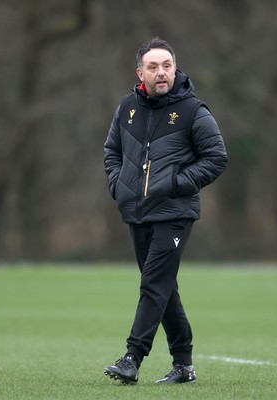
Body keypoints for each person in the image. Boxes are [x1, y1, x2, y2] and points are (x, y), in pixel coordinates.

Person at [103, 37, 228, 385]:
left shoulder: (193, 111)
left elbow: (217, 158)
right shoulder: (127, 106)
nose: (162, 72)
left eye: (167, 65)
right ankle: (184, 365)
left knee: (153, 285)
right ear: (140, 72)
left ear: (175, 68)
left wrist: (176, 183)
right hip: (136, 212)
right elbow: (111, 150)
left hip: (174, 213)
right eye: (154, 67)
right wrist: (119, 185)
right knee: (163, 287)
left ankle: (132, 358)